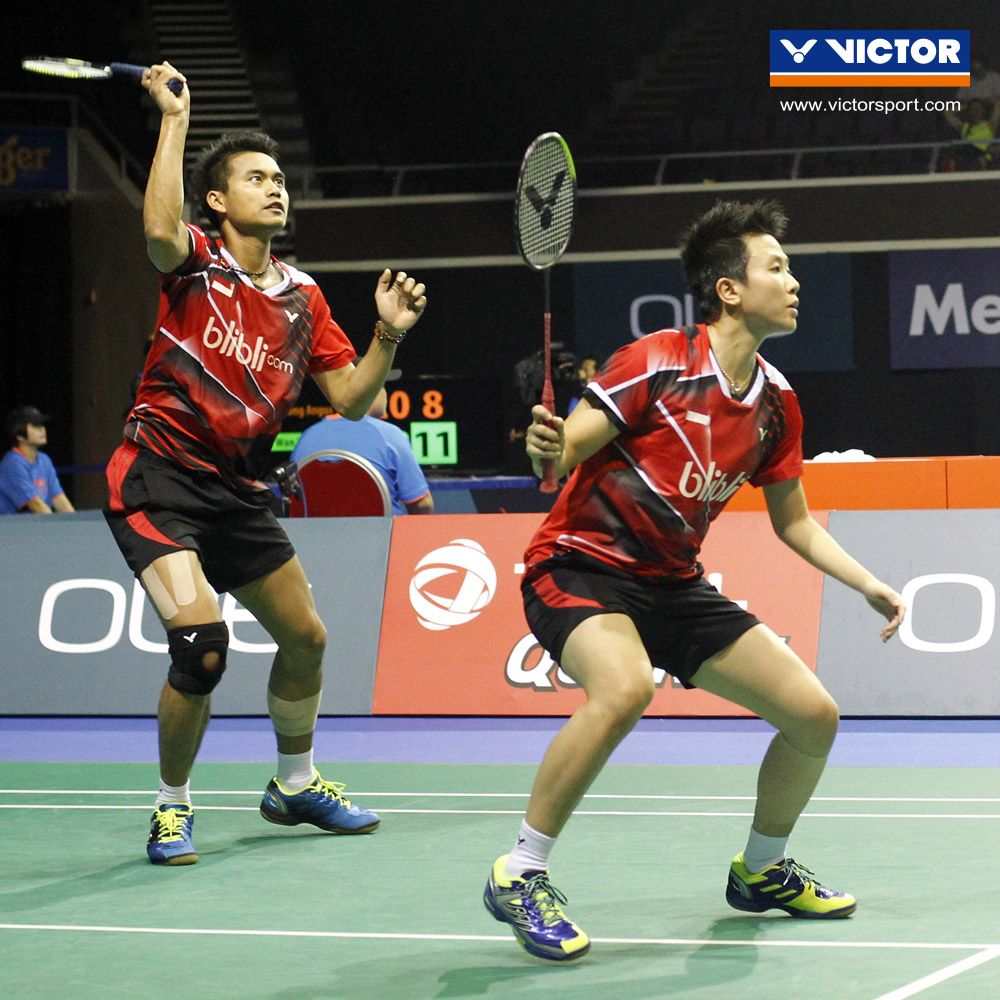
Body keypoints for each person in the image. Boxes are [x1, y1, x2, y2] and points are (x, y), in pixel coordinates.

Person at [483, 199, 905, 961]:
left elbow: (795, 522)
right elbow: (569, 450)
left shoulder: (776, 403)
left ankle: (761, 871)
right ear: (729, 290)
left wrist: (867, 583)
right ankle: (521, 871)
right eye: (776, 266)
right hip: (579, 568)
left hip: (672, 585)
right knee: (624, 688)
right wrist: (550, 444)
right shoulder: (657, 359)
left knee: (814, 715)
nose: (794, 279)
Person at [104, 62, 426, 866]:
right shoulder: (197, 263)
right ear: (218, 199)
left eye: (280, 178)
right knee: (202, 647)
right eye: (256, 178)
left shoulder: (303, 298)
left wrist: (387, 333)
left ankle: (294, 783)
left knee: (307, 638)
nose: (276, 188)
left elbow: (351, 399)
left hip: (238, 492)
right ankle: (172, 806)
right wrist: (173, 120)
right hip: (160, 477)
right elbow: (154, 232)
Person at [290, 370, 434, 514]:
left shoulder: (306, 438)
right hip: (381, 535)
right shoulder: (391, 436)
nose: (385, 393)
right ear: (367, 388)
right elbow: (422, 505)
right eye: (380, 385)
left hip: (316, 536)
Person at [0, 406, 76, 514]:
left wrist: (76, 524)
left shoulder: (44, 460)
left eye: (41, 425)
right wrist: (55, 528)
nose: (42, 429)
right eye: (35, 426)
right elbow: (35, 505)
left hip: (37, 526)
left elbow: (58, 497)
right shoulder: (12, 464)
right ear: (20, 436)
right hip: (13, 528)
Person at [942, 97, 1000, 170]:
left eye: (978, 107)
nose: (976, 109)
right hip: (965, 159)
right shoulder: (965, 128)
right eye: (973, 108)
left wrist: (986, 101)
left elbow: (998, 106)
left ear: (983, 110)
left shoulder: (989, 125)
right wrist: (966, 106)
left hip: (979, 160)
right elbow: (947, 113)